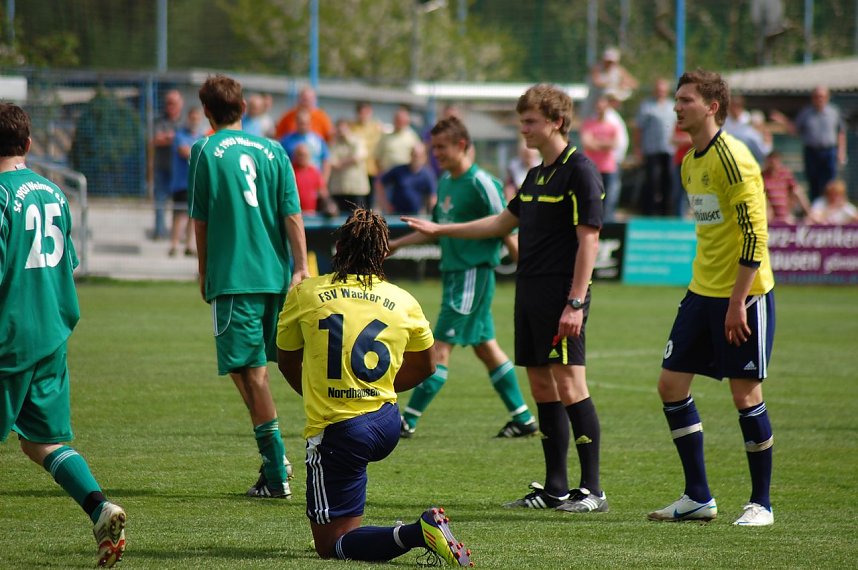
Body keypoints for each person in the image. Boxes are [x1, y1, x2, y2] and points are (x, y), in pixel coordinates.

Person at [402, 84, 608, 514]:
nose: (525, 130)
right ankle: (555, 488)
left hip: (561, 294)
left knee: (571, 384)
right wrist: (439, 230)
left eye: (531, 122)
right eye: (522, 122)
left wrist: (576, 301)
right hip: (528, 293)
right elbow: (499, 225)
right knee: (540, 385)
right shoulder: (535, 177)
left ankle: (592, 490)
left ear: (556, 121)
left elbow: (589, 241)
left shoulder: (580, 171)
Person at [276, 209, 472, 566]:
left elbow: (287, 361)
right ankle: (406, 531)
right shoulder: (404, 300)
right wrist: (379, 388)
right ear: (382, 253)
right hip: (386, 422)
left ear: (339, 248)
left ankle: (420, 531)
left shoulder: (306, 292)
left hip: (339, 430)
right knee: (348, 519)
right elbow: (428, 364)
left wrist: (319, 393)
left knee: (331, 545)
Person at [648, 69, 776, 527]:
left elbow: (754, 235)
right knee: (670, 385)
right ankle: (698, 496)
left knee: (746, 395)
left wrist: (736, 302)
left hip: (743, 296)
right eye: (677, 99)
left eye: (685, 100)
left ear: (711, 106)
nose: (677, 107)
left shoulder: (734, 159)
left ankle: (761, 503)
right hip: (700, 292)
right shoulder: (688, 161)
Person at [0, 102, 127, 567]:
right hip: (51, 335)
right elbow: (65, 264)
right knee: (42, 442)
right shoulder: (53, 193)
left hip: (7, 337)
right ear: (29, 144)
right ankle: (99, 508)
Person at [188, 74, 310, 499]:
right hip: (275, 275)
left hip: (235, 277)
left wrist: (203, 270)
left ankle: (277, 471)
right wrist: (301, 267)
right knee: (252, 370)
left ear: (206, 111)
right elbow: (292, 213)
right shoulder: (275, 149)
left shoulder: (204, 149)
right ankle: (276, 460)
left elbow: (200, 218)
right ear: (242, 108)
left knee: (251, 372)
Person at [389, 116, 537, 439]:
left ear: (461, 145)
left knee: (439, 348)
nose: (436, 154)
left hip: (472, 276)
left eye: (441, 147)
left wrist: (526, 268)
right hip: (455, 276)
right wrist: (396, 245)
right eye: (433, 148)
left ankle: (408, 420)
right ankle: (523, 418)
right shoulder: (445, 181)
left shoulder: (481, 182)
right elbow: (435, 231)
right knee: (486, 348)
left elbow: (507, 226)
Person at [771, 85, 847, 201]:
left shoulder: (834, 112)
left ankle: (828, 209)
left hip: (829, 151)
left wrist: (841, 152)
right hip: (812, 151)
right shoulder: (806, 113)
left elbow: (841, 132)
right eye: (816, 96)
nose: (819, 99)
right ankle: (815, 208)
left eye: (821, 96)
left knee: (830, 184)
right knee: (814, 183)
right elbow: (795, 130)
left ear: (827, 97)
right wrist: (784, 121)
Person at [634, 78, 676, 216]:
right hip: (651, 150)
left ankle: (666, 212)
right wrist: (637, 148)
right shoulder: (646, 106)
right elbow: (638, 128)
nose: (661, 93)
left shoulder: (672, 106)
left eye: (663, 90)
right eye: (658, 90)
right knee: (652, 181)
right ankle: (649, 212)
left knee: (668, 181)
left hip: (668, 150)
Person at [169, 106, 203, 257]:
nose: (194, 121)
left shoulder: (201, 137)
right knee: (179, 215)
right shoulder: (180, 135)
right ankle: (174, 245)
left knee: (193, 216)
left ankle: (190, 245)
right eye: (192, 118)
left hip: (197, 182)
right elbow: (185, 151)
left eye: (197, 118)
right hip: (182, 183)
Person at [580, 95, 620, 222]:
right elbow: (587, 144)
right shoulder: (588, 124)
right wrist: (605, 143)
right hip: (591, 168)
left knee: (609, 200)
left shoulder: (612, 126)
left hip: (608, 168)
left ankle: (607, 226)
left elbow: (615, 144)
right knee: (591, 198)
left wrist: (596, 142)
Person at [152, 89, 183, 240]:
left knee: (181, 203)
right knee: (160, 200)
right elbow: (156, 139)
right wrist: (176, 139)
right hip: (162, 167)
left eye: (173, 103)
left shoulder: (184, 121)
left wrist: (171, 137)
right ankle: (159, 232)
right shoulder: (160, 120)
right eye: (168, 103)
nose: (170, 106)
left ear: (180, 104)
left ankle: (179, 234)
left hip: (181, 170)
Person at [376, 143, 437, 215]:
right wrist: (385, 205)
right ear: (410, 155)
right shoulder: (399, 171)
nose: (416, 158)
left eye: (419, 156)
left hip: (416, 216)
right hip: (396, 215)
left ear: (424, 157)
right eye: (414, 155)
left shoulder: (427, 175)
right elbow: (380, 184)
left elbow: (432, 197)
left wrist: (432, 215)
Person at [580, 47, 638, 120]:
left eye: (612, 61)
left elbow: (634, 83)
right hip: (592, 105)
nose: (609, 64)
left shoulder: (619, 70)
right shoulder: (597, 68)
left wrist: (624, 84)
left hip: (608, 109)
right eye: (608, 61)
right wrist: (616, 85)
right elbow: (596, 82)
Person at [328, 118, 371, 213]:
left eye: (342, 128)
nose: (340, 130)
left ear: (348, 128)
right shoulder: (333, 143)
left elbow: (358, 157)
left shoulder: (358, 141)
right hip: (339, 190)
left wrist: (341, 162)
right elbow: (331, 162)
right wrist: (348, 161)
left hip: (356, 190)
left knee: (359, 221)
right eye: (338, 128)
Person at [280, 109, 331, 182]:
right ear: (296, 123)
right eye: (301, 123)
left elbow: (326, 161)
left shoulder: (318, 140)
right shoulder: (286, 140)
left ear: (310, 123)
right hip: (293, 181)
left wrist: (323, 182)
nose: (303, 126)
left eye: (306, 123)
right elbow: (281, 162)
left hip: (313, 183)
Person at [761, 151, 812, 224]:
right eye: (771, 161)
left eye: (775, 160)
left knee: (798, 191)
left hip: (786, 214)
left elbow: (796, 190)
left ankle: (809, 214)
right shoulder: (762, 176)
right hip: (769, 215)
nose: (773, 163)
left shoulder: (785, 174)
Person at [350, 101, 385, 205]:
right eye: (361, 112)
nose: (364, 115)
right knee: (358, 203)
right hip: (357, 171)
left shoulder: (377, 127)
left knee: (370, 202)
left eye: (366, 112)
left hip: (372, 170)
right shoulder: (352, 127)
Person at [375, 105, 422, 175]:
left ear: (407, 121)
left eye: (401, 120)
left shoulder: (412, 136)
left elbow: (419, 155)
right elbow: (377, 158)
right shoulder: (385, 136)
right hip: (388, 175)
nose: (399, 122)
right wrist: (380, 174)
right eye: (397, 119)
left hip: (406, 176)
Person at [291, 143, 332, 215]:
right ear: (295, 156)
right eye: (299, 154)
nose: (302, 157)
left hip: (311, 214)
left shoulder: (314, 172)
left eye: (304, 155)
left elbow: (323, 191)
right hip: (294, 214)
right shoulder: (290, 171)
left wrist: (329, 205)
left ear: (309, 156)